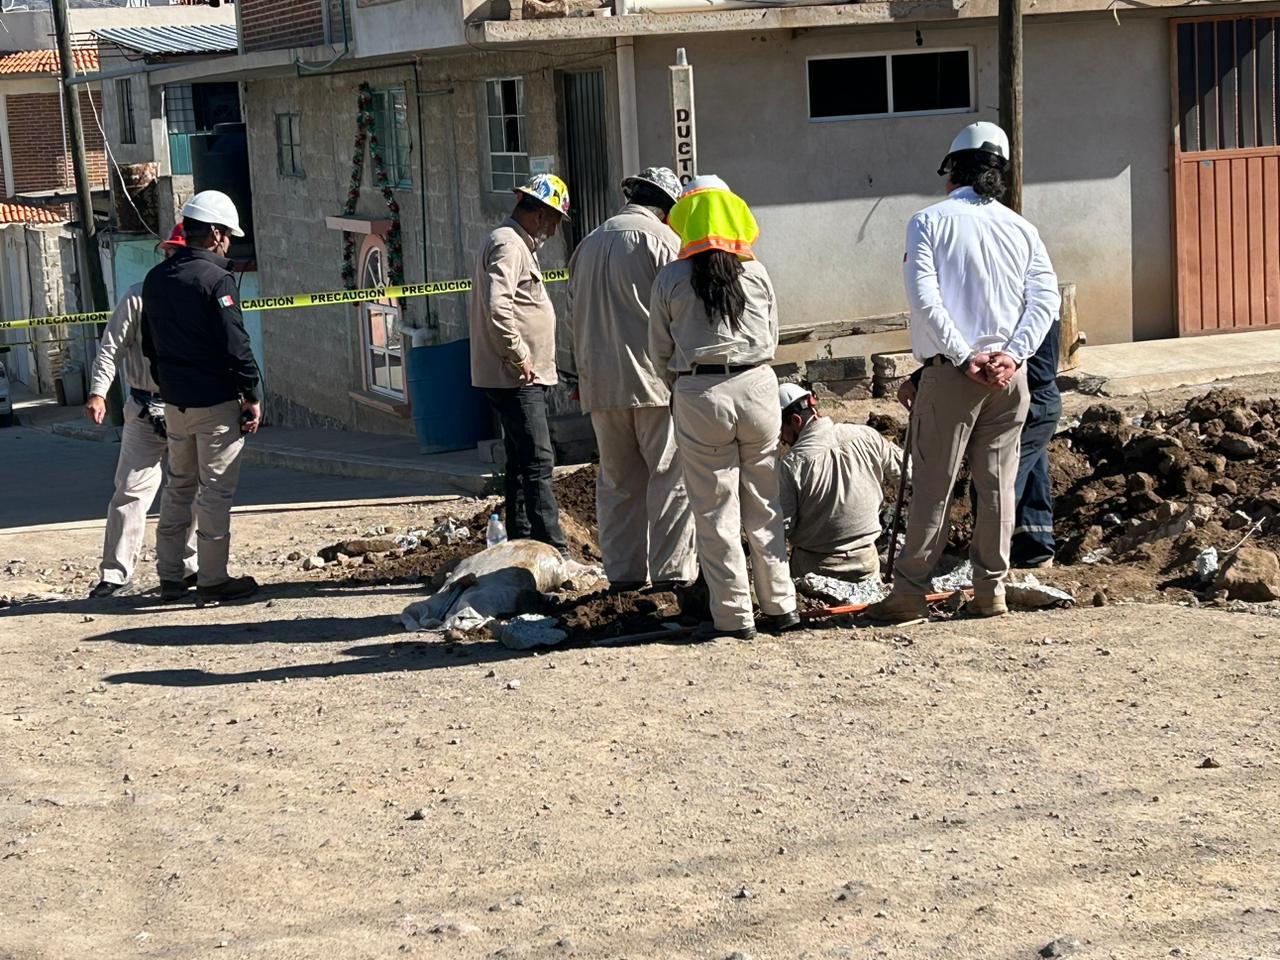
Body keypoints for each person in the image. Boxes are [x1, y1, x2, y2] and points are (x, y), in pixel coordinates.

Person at [866, 122, 1060, 623]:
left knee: (934, 485)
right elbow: (1045, 300)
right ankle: (989, 591)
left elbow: (924, 297)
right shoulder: (1022, 229)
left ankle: (909, 593)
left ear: (953, 171)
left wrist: (961, 355)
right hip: (1007, 379)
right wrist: (1013, 355)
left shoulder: (928, 222)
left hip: (955, 376)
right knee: (996, 486)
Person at [649, 175, 798, 640]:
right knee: (765, 504)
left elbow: (658, 350)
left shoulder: (671, 277)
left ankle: (735, 617)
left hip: (701, 393)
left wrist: (683, 384)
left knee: (715, 512)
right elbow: (772, 336)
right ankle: (781, 606)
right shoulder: (756, 272)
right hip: (758, 386)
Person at [566, 166, 697, 590]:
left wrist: (579, 377)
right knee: (670, 479)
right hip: (654, 383)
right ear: (666, 207)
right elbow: (683, 309)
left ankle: (623, 577)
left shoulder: (587, 244)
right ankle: (671, 577)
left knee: (618, 484)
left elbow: (573, 317)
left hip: (600, 386)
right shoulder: (664, 241)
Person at [141, 190, 261, 604]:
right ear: (214, 234)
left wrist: (168, 382)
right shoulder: (217, 280)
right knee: (214, 492)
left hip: (174, 402)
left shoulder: (156, 278)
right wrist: (252, 393)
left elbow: (150, 345)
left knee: (178, 487)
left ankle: (171, 575)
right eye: (227, 234)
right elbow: (236, 344)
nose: (228, 241)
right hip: (214, 402)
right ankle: (212, 578)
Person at [83, 225, 196, 598]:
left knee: (188, 490)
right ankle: (115, 573)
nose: (173, 260)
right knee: (130, 492)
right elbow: (110, 348)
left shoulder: (200, 296)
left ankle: (188, 567)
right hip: (146, 408)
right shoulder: (137, 298)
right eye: (169, 254)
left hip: (187, 407)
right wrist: (99, 393)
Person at [899, 315, 1061, 569]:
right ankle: (1034, 551)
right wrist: (920, 378)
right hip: (1019, 396)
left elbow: (1039, 368)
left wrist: (994, 371)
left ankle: (990, 568)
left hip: (1030, 400)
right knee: (1030, 475)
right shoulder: (1020, 303)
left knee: (996, 484)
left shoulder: (1032, 311)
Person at [469, 174, 570, 555]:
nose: (556, 229)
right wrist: (519, 356)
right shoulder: (509, 245)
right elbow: (499, 306)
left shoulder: (513, 243)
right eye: (555, 219)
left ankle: (522, 537)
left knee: (520, 458)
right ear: (540, 214)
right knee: (538, 459)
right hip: (515, 376)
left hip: (515, 374)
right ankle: (550, 546)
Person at [777, 382, 903, 583]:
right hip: (866, 563)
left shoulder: (792, 465)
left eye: (780, 430)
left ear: (795, 420)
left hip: (814, 570)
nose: (782, 440)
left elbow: (782, 528)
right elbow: (908, 475)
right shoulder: (866, 435)